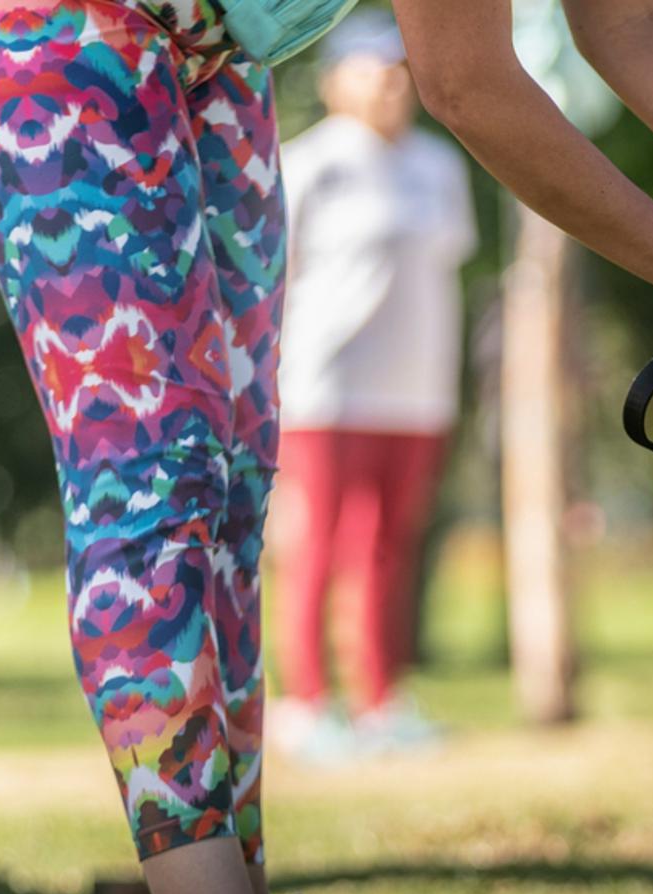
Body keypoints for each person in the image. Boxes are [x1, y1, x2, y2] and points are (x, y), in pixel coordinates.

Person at [0, 0, 653, 894]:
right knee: (153, 482)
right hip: (67, 33)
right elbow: (468, 84)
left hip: (208, 59)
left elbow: (621, 19)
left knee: (225, 495)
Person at [269, 13, 475, 759]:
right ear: (333, 83)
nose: (390, 83)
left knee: (389, 546)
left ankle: (380, 700)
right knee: (317, 544)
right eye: (371, 68)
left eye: (399, 69)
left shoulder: (440, 166)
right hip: (327, 386)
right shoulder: (308, 163)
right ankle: (306, 700)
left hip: (416, 391)